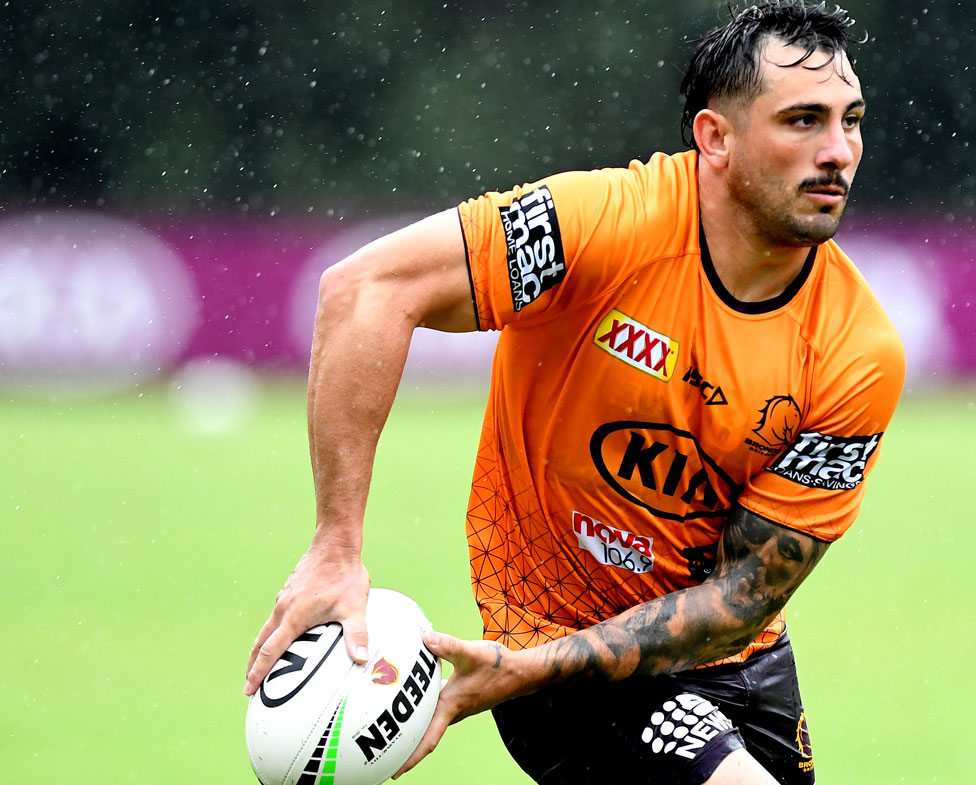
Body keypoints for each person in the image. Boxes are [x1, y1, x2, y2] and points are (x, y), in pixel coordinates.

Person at [244, 1, 904, 783]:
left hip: (735, 662)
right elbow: (365, 291)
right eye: (802, 121)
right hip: (553, 646)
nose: (838, 151)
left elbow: (739, 598)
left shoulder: (858, 351)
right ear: (715, 139)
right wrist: (335, 545)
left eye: (851, 120)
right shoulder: (598, 227)